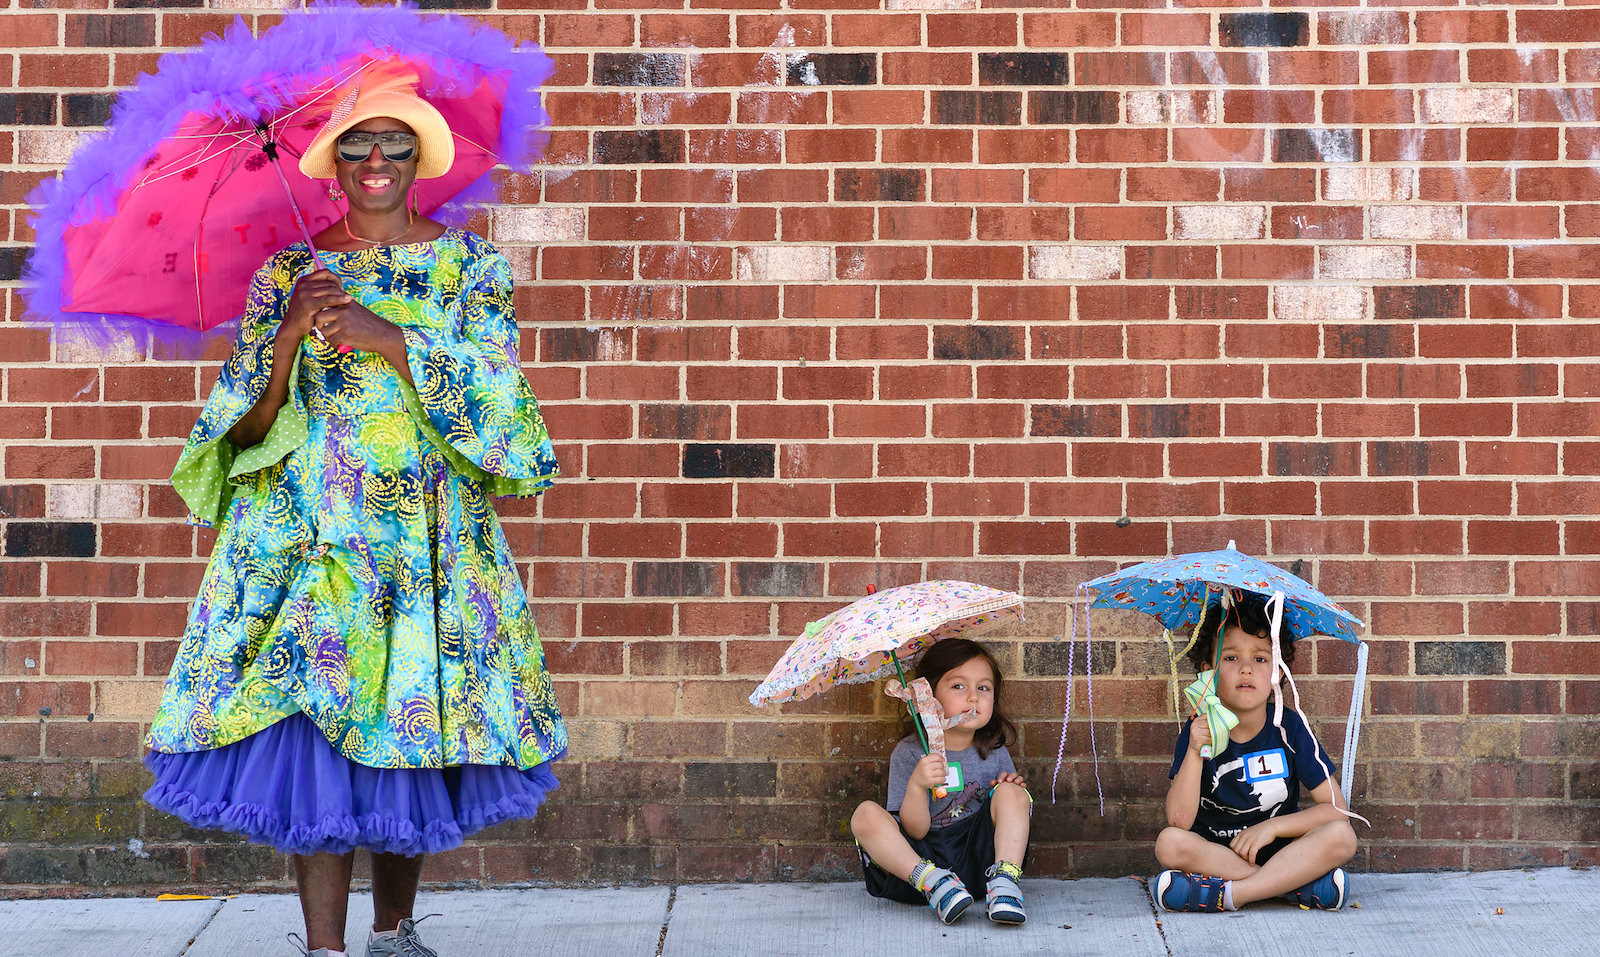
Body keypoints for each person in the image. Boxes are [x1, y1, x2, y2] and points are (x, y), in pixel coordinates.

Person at [142, 65, 564, 957]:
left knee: (404, 722)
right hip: (311, 533)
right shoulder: (289, 274)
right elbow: (242, 429)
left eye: (396, 143)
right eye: (361, 143)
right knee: (320, 728)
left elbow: (503, 403)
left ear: (420, 159)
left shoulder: (469, 266)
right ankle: (325, 949)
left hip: (424, 537)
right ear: (334, 161)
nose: (378, 157)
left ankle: (394, 932)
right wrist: (291, 332)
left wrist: (393, 337)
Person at [1152, 594, 1358, 913]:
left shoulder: (1289, 727)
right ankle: (1292, 887)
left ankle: (1231, 895)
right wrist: (1195, 750)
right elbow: (1179, 821)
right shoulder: (1199, 729)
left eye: (1260, 659)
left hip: (1285, 852)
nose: (1246, 669)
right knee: (1169, 843)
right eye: (1231, 658)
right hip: (1219, 855)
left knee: (1342, 836)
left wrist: (1271, 827)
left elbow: (1336, 810)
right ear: (1209, 672)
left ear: (1277, 673)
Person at [849, 638, 1032, 925]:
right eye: (959, 686)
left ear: (994, 699)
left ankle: (1005, 885)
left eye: (983, 688)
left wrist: (1008, 792)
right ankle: (938, 885)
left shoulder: (995, 753)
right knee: (865, 816)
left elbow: (1007, 814)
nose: (973, 697)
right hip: (919, 867)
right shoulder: (910, 753)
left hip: (978, 863)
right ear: (929, 696)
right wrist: (917, 785)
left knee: (1015, 793)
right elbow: (915, 831)